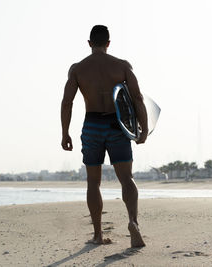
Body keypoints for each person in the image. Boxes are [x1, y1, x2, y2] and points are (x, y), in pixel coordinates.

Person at [60, 25, 148, 248]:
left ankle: (98, 235)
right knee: (126, 178)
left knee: (93, 182)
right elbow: (137, 98)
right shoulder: (122, 66)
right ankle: (133, 222)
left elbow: (67, 102)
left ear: (89, 43)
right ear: (109, 43)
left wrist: (65, 133)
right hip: (116, 124)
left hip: (92, 125)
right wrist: (143, 128)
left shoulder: (78, 69)